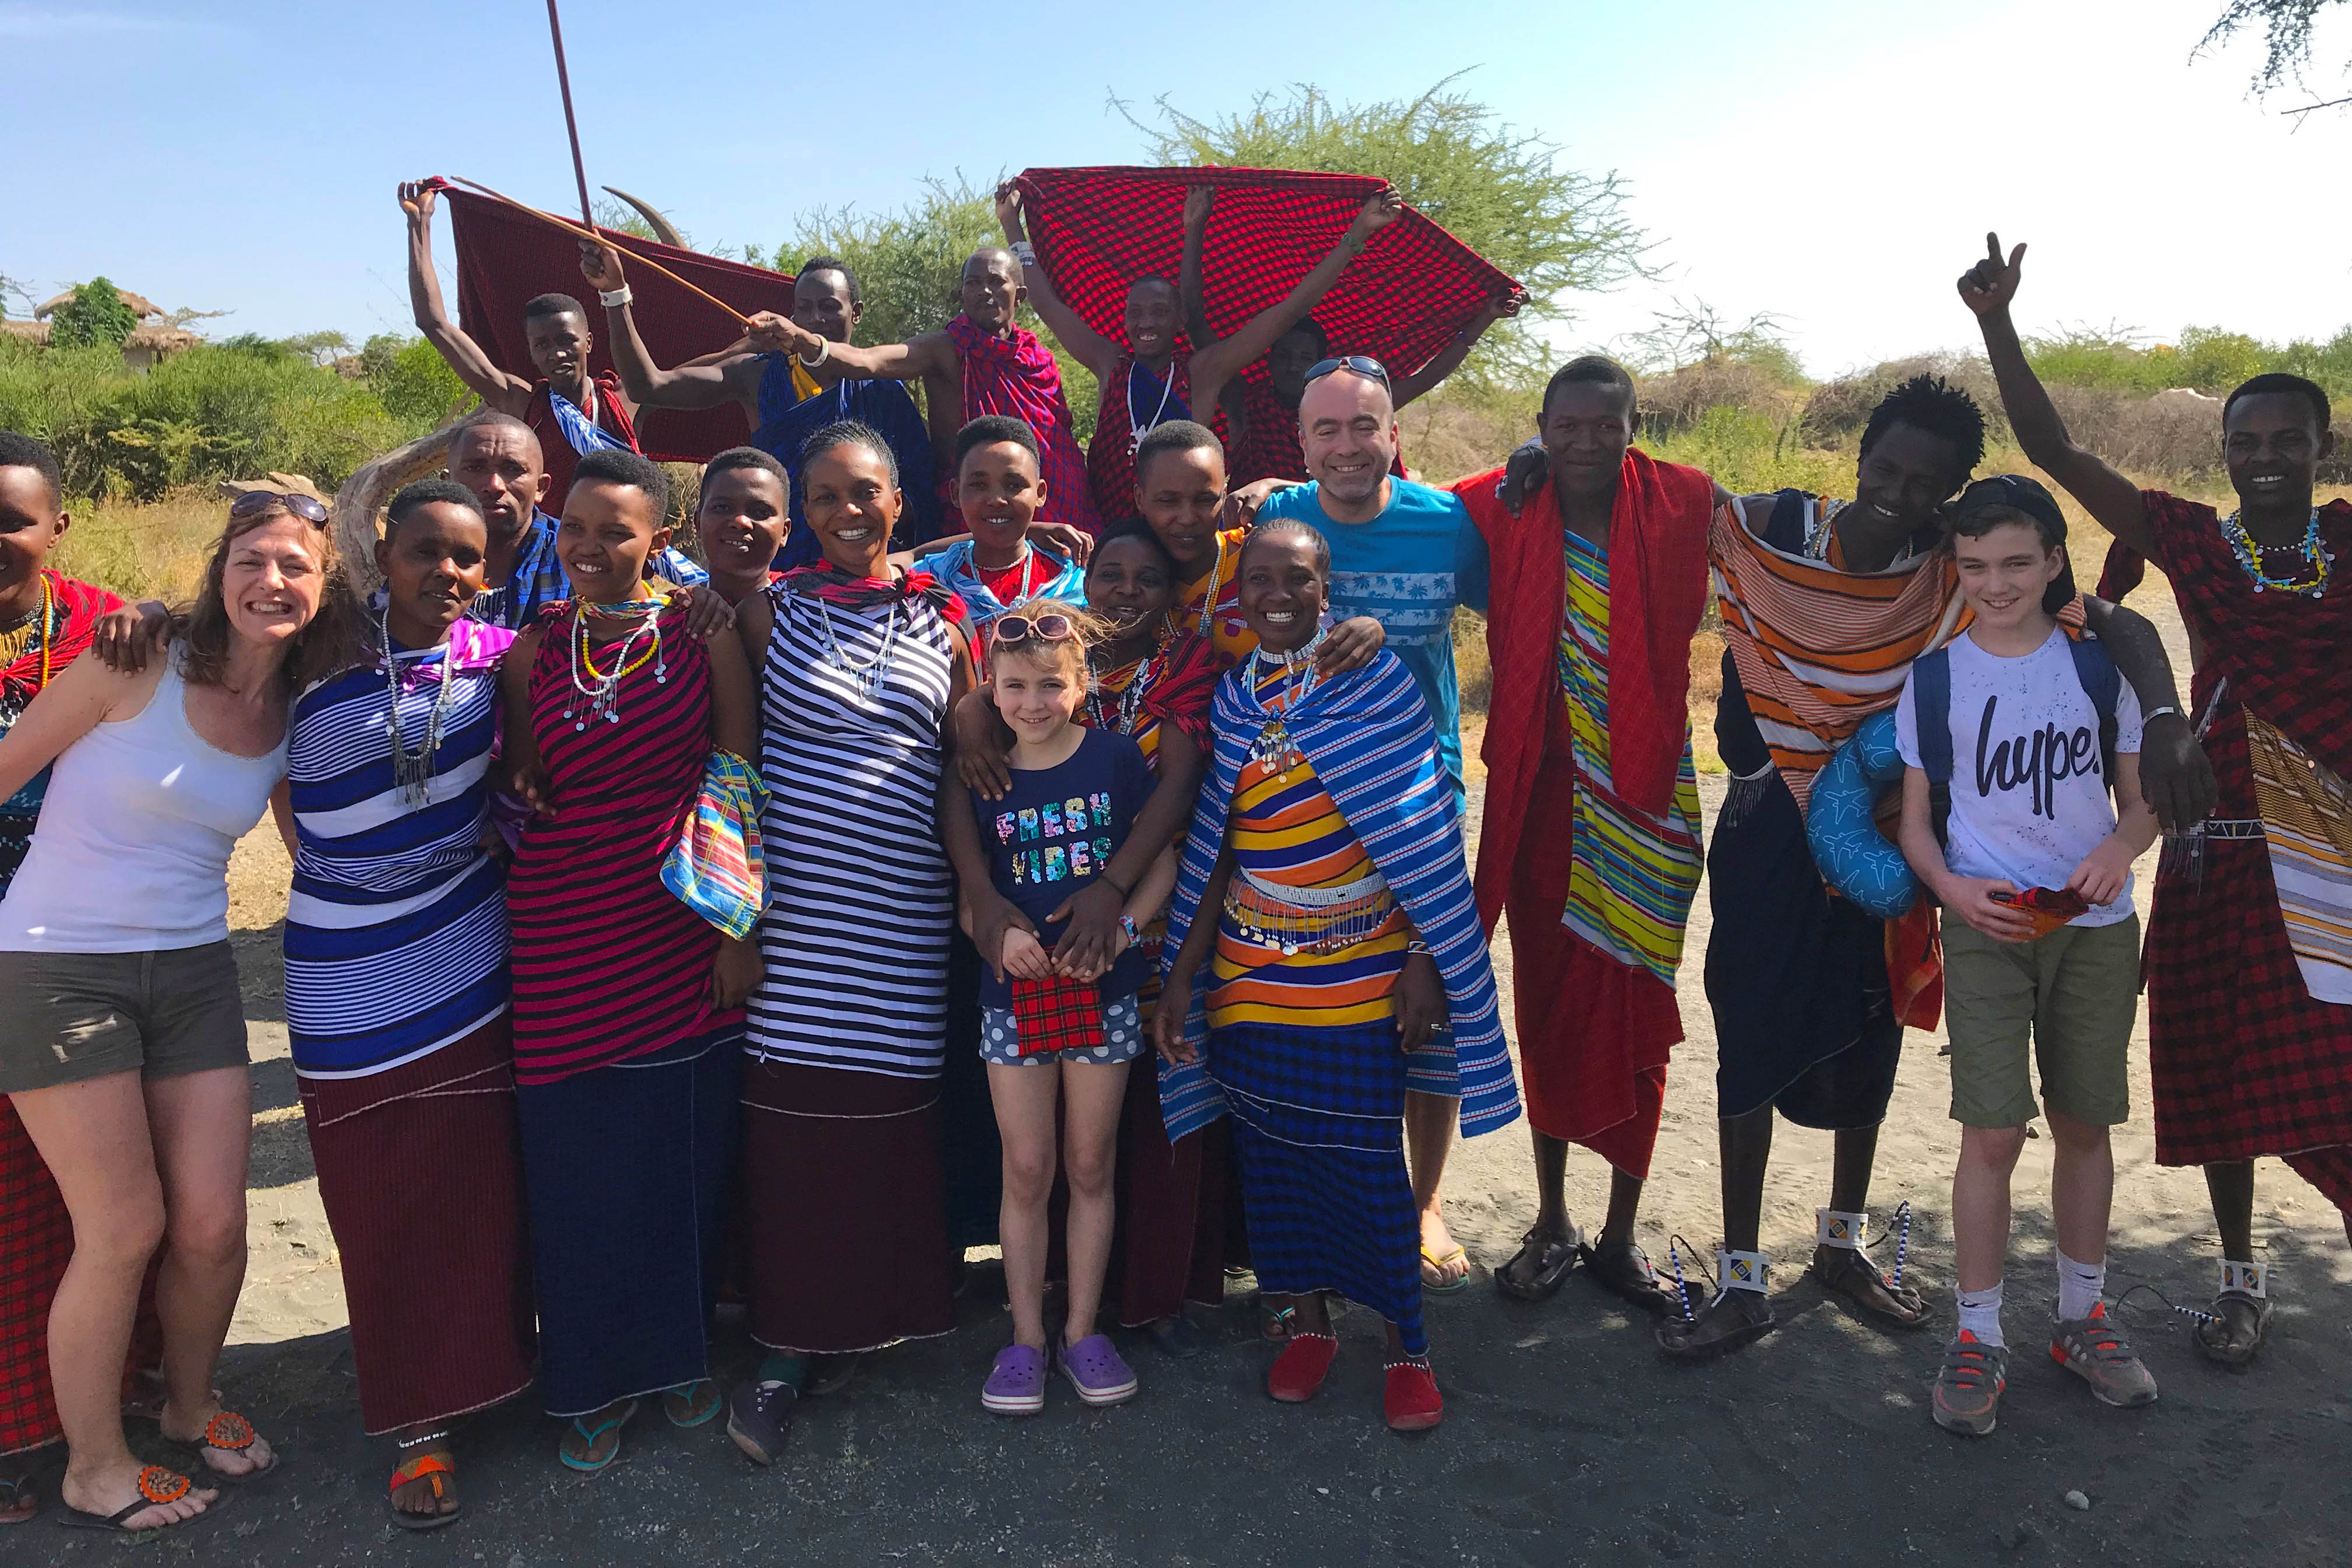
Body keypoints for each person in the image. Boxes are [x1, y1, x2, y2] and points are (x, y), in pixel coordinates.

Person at [1632, 370, 2203, 1359]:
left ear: (1951, 492)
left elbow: (2104, 622)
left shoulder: (1953, 567)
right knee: (1749, 1033)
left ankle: (1842, 1246)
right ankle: (1739, 1275)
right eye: (1884, 466)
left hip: (1892, 831)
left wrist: (2159, 711)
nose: (1897, 490)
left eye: (1923, 480)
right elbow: (1634, 496)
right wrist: (1532, 460)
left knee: (1868, 1029)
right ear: (1858, 457)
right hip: (1768, 827)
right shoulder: (1774, 527)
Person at [1962, 233, 2352, 1362]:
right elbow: (2052, 448)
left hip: (2334, 847)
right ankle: (2238, 1279)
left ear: (2322, 444)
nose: (2265, 456)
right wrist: (1997, 322)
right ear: (2223, 450)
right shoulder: (2194, 539)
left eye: (2288, 439)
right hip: (2220, 840)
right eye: (2246, 440)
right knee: (2223, 1058)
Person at [0, 486, 355, 1532]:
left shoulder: (295, 707)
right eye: (253, 558)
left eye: (297, 565)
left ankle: (192, 1403)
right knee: (124, 1226)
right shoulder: (132, 659)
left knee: (210, 1224)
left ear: (324, 587)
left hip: (194, 970)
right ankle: (94, 1464)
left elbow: (314, 854)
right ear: (220, 568)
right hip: (57, 965)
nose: (272, 580)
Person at [1153, 520, 1518, 1433]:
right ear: (1238, 596)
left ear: (1329, 590)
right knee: (1272, 1167)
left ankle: (1405, 1342)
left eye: (1299, 579)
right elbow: (1215, 851)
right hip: (1249, 978)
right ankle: (1308, 1327)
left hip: (1363, 970)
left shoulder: (1377, 682)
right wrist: (1179, 980)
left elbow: (1425, 828)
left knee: (1365, 1167)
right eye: (1260, 579)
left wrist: (1428, 957)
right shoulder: (1235, 700)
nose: (1277, 595)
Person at [497, 447, 761, 1472]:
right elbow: (527, 780)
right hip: (562, 935)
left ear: (660, 537)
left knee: (679, 1156)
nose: (589, 547)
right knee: (574, 1163)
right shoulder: (532, 648)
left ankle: (680, 1357)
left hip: (677, 926)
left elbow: (737, 779)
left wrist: (742, 931)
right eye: (574, 527)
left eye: (615, 530)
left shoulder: (707, 636)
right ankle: (590, 1377)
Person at [724, 422, 978, 1465]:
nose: (846, 510)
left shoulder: (946, 620)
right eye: (823, 494)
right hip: (799, 928)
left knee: (884, 1135)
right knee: (793, 1143)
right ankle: (782, 1351)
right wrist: (737, 920)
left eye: (864, 492)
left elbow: (970, 760)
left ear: (898, 501)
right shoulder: (760, 612)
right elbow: (732, 770)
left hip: (906, 925)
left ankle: (868, 1319)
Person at [282, 480, 534, 1525]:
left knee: (479, 1179)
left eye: (468, 558)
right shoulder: (311, 652)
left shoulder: (502, 658)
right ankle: (417, 1418)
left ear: (492, 570)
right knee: (376, 1190)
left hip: (467, 951)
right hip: (340, 972)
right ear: (383, 554)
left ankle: (496, 1368)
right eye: (426, 550)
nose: (448, 572)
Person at [1891, 474, 2161, 1435]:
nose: (1995, 583)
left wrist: (2117, 851)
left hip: (2088, 923)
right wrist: (1953, 891)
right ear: (1953, 569)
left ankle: (2082, 1316)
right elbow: (1920, 827)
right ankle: (1976, 1331)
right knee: (1992, 1132)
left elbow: (2141, 796)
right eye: (1973, 566)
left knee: (2086, 1118)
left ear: (2053, 560)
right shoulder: (1934, 678)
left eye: (2015, 562)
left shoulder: (2098, 670)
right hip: (1987, 921)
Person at [1453, 358, 1718, 1315]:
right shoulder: (1502, 503)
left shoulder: (1682, 502)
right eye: (1562, 426)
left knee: (1634, 1007)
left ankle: (1617, 1231)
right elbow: (1390, 503)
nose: (1583, 442)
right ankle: (1556, 1220)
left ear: (1630, 426)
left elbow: (1782, 535)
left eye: (1603, 425)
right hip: (1543, 798)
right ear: (1540, 426)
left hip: (1649, 801)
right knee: (1553, 1007)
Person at [1248, 358, 1493, 1288]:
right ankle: (1321, 1203)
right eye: (1327, 430)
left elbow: (1518, 606)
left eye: (1366, 426)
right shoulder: (1282, 525)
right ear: (1302, 441)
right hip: (1297, 802)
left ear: (1395, 432)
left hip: (1420, 794)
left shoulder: (1448, 525)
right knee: (1318, 1010)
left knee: (1429, 1005)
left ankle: (1423, 1203)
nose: (1348, 446)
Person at [940, 606, 1178, 1412]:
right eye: (1014, 687)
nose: (1033, 703)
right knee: (1028, 1168)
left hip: (1102, 993)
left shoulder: (1112, 757)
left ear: (1082, 686)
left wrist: (1123, 929)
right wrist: (995, 944)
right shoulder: (986, 773)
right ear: (992, 694)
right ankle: (1025, 1339)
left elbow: (1163, 861)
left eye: (1050, 685)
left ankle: (1082, 1331)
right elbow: (972, 902)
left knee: (1089, 1165)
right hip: (1013, 997)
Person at [0, 433, 135, 1527]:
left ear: (57, 527)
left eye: (13, 517)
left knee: (78, 1205)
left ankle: (87, 1413)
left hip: (76, 945)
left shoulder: (105, 624)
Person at [997, 181, 1402, 522]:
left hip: (1185, 534)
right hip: (1114, 533)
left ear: (1179, 319)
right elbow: (1048, 304)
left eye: (1159, 312)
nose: (1146, 322)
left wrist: (1356, 235)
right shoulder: (1111, 364)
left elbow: (1288, 311)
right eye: (1135, 312)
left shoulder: (1202, 373)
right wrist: (1012, 224)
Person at [579, 244, 940, 561]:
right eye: (805, 308)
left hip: (870, 563)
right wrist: (615, 294)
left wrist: (857, 521)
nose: (816, 319)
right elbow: (650, 386)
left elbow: (921, 488)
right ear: (792, 314)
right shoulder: (758, 376)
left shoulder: (882, 390)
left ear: (856, 313)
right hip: (781, 566)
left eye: (830, 307)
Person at [749, 247, 1098, 534]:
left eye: (996, 281)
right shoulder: (943, 349)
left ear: (1019, 295)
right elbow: (868, 361)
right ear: (962, 294)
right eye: (974, 283)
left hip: (1055, 506)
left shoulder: (1040, 361)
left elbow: (1059, 444)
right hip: (971, 514)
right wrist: (804, 341)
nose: (985, 291)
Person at [401, 180, 638, 514]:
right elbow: (434, 324)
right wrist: (419, 224)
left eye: (567, 341)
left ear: (588, 342)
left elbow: (705, 369)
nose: (556, 354)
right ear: (530, 352)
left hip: (624, 555)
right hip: (549, 556)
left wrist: (742, 339)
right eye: (542, 345)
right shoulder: (524, 404)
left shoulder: (624, 399)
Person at [441, 412, 707, 631]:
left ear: (542, 488)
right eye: (475, 468)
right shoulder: (412, 558)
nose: (494, 485)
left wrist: (700, 601)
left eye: (513, 470)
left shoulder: (578, 557)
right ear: (446, 482)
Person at [1218, 303, 1510, 491]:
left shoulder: (1353, 400)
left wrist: (1484, 319)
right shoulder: (1247, 404)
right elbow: (1209, 350)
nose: (1293, 366)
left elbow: (1428, 378)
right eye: (1283, 356)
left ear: (1321, 363)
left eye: (1304, 357)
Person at [915, 418, 1087, 667]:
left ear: (1040, 494)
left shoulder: (1069, 581)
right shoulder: (929, 582)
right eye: (978, 485)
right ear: (955, 493)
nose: (996, 499)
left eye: (1014, 485)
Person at [692, 447, 792, 605]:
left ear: (784, 532)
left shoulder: (812, 617)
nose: (741, 522)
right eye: (722, 508)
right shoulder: (664, 622)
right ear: (698, 523)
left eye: (760, 512)